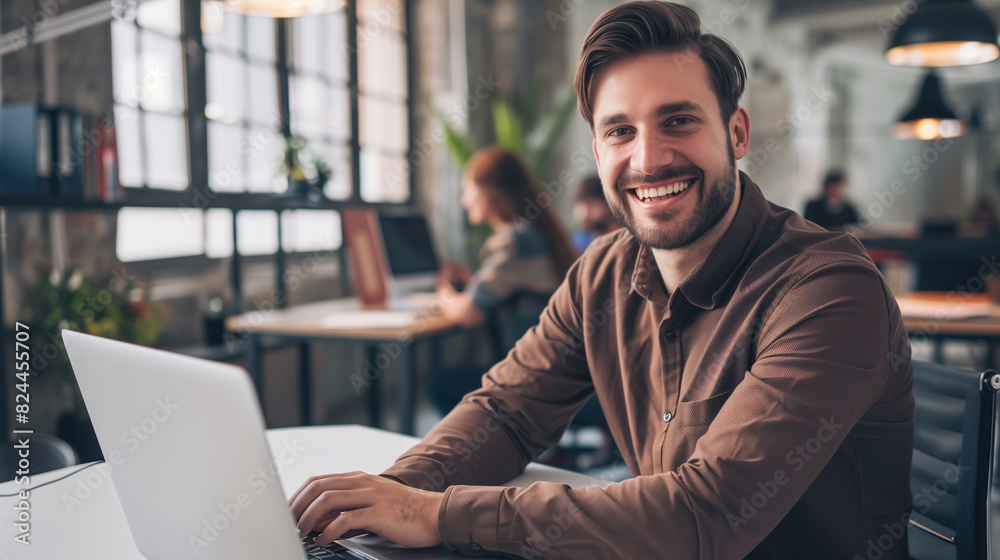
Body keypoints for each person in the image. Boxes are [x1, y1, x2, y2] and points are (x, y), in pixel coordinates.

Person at [289, 3, 914, 559]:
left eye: (678, 121)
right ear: (597, 151)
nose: (647, 159)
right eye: (620, 131)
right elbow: (507, 412)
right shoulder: (604, 271)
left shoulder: (829, 289)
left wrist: (439, 513)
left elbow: (710, 516)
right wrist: (397, 493)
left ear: (737, 133)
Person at [428, 147, 578, 414]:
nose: (465, 201)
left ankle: (494, 451)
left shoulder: (513, 240)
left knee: (440, 385)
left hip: (534, 380)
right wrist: (473, 283)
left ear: (488, 190)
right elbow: (519, 288)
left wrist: (443, 291)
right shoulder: (536, 233)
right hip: (563, 373)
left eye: (467, 189)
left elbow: (468, 315)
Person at [571, 174, 622, 252]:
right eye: (580, 205)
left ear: (610, 204)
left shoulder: (633, 238)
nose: (585, 215)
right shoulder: (578, 245)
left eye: (591, 204)